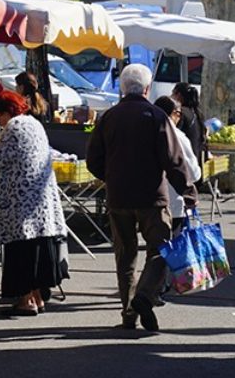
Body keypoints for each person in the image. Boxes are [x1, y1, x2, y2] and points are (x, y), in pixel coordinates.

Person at [86, 64, 194, 332]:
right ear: (147, 89)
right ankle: (144, 296)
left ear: (122, 88)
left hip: (119, 197)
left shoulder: (108, 117)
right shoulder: (156, 116)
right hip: (151, 197)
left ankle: (129, 313)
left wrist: (111, 176)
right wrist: (188, 192)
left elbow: (93, 161)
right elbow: (173, 160)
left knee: (125, 256)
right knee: (160, 250)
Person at [0, 90, 69, 315]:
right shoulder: (33, 123)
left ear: (7, 112)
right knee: (35, 249)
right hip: (40, 200)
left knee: (21, 251)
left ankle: (26, 300)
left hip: (22, 201)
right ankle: (37, 298)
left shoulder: (14, 127)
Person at [153, 95, 203, 231]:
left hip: (149, 200)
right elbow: (193, 173)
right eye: (179, 114)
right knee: (174, 243)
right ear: (174, 113)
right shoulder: (178, 137)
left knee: (155, 244)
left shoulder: (146, 132)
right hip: (174, 200)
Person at [171, 82, 206, 167]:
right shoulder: (197, 113)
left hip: (184, 163)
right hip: (195, 162)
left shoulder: (181, 113)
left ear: (178, 95)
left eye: (173, 93)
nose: (171, 96)